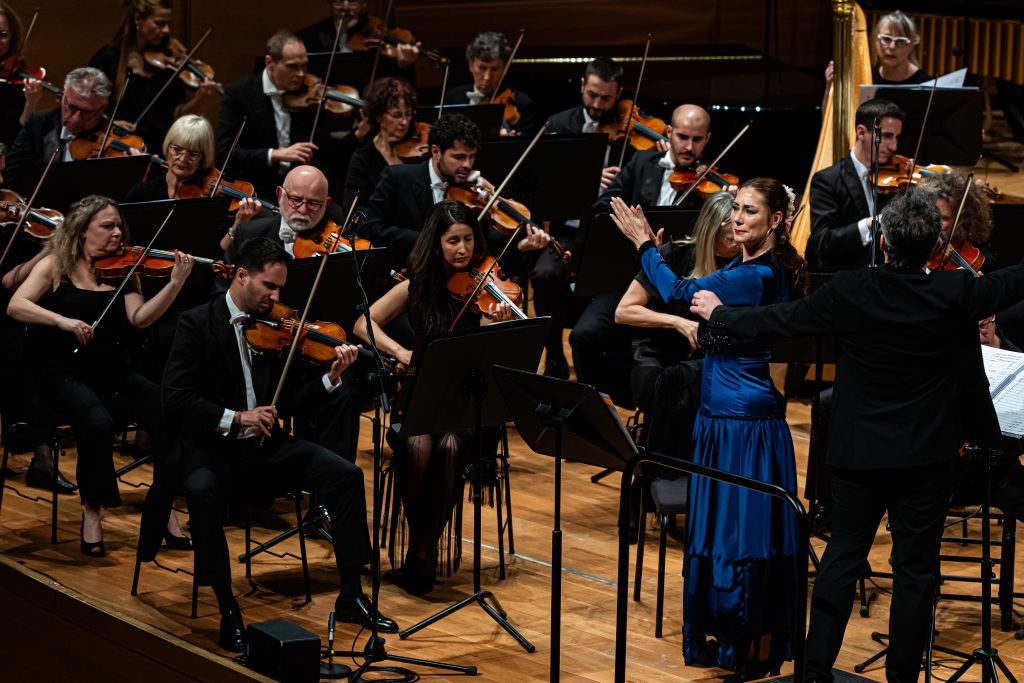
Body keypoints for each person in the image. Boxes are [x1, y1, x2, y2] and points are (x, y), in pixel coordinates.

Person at [689, 187, 1024, 683]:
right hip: (926, 460)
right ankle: (902, 678)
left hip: (856, 456)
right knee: (915, 572)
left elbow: (779, 318)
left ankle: (816, 668)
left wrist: (719, 312)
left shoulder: (850, 290)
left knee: (841, 560)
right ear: (935, 246)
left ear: (883, 242)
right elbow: (1014, 280)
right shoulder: (957, 293)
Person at [161, 236, 397, 652]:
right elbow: (176, 396)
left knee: (346, 476)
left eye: (280, 289)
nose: (276, 297)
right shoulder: (196, 323)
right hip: (215, 448)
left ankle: (351, 594)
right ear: (241, 275)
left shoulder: (274, 328)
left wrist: (330, 377)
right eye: (269, 286)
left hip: (266, 448)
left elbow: (289, 402)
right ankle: (226, 605)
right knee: (199, 493)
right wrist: (237, 418)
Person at [611, 178, 807, 677]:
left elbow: (678, 290)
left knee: (739, 535)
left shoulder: (751, 275)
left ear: (776, 221)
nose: (738, 219)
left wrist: (642, 247)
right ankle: (740, 642)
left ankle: (744, 643)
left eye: (750, 212)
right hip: (725, 411)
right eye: (735, 209)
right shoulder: (753, 267)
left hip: (737, 418)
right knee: (735, 531)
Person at [7, 194, 194, 557]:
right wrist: (62, 321)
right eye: (106, 226)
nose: (116, 233)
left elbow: (139, 319)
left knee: (169, 410)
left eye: (118, 226)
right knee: (97, 422)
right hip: (60, 375)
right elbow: (16, 305)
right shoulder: (54, 265)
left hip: (111, 373)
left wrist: (174, 284)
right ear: (81, 232)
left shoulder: (126, 268)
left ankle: (164, 504)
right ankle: (92, 510)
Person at [353, 201, 515, 595]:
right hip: (426, 402)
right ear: (436, 243)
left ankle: (421, 552)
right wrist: (402, 353)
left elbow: (497, 357)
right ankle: (421, 547)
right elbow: (362, 323)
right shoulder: (417, 286)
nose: (462, 249)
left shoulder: (487, 288)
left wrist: (490, 324)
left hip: (473, 408)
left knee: (448, 446)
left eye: (468, 239)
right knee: (419, 441)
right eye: (452, 240)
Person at [568, 104, 717, 393]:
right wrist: (631, 225)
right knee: (583, 335)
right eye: (683, 137)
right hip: (627, 281)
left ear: (707, 140)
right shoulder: (642, 162)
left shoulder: (712, 187)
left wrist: (725, 202)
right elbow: (603, 207)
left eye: (697, 140)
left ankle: (649, 406)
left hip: (677, 293)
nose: (688, 147)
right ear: (669, 133)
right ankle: (600, 408)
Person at [223, 165, 364, 462]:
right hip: (259, 347)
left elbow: (346, 306)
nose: (302, 209)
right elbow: (221, 297)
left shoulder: (337, 244)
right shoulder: (250, 232)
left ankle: (329, 493)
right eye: (295, 199)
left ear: (326, 205)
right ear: (280, 195)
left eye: (313, 204)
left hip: (312, 347)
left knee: (345, 391)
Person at [532, 57, 628, 378]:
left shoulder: (630, 133)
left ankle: (601, 366)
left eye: (607, 98)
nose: (598, 105)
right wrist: (585, 180)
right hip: (569, 232)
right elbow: (543, 186)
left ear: (619, 94)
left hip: (611, 235)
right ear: (582, 85)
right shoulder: (557, 125)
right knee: (545, 274)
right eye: (593, 95)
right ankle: (555, 354)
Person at [360, 112, 549, 267]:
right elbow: (369, 228)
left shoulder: (474, 193)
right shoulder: (397, 177)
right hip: (403, 277)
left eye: (471, 157)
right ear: (436, 152)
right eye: (458, 157)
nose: (467, 165)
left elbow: (485, 248)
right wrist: (429, 240)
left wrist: (520, 247)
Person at [88, 0, 220, 155]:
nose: (166, 30)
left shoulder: (168, 63)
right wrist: (108, 124)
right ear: (138, 19)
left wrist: (201, 98)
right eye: (160, 23)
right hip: (120, 149)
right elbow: (84, 107)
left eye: (168, 24)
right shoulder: (109, 58)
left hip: (160, 151)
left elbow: (177, 115)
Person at [216, 31, 332, 201]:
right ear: (270, 62)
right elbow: (224, 155)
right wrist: (276, 154)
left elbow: (323, 148)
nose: (301, 74)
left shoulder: (310, 95)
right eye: (292, 66)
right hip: (256, 190)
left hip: (301, 191)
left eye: (304, 66)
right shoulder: (239, 94)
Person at [123, 114, 260, 248]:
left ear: (203, 157)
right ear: (168, 147)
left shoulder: (211, 201)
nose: (182, 159)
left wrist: (238, 224)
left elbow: (219, 251)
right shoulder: (143, 193)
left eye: (192, 154)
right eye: (177, 150)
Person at [806, 98, 904, 268]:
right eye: (887, 136)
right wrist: (871, 224)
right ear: (861, 133)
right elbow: (822, 242)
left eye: (896, 137)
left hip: (887, 279)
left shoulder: (897, 179)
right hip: (846, 279)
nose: (893, 146)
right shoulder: (827, 180)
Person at [3, 67, 113, 191]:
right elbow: (11, 176)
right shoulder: (38, 123)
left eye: (86, 112)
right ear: (63, 97)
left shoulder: (112, 135)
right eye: (72, 107)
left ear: (102, 109)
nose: (76, 119)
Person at [442, 31, 540, 137]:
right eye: (482, 68)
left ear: (505, 69)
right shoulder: (451, 99)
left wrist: (507, 141)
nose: (487, 77)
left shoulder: (523, 105)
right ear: (470, 65)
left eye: (494, 69)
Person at [341, 76, 416, 209]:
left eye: (408, 114)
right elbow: (352, 208)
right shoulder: (363, 158)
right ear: (379, 116)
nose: (404, 122)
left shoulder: (418, 151)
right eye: (397, 115)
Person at [295, 0, 419, 72]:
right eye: (338, 1)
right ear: (329, 4)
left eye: (353, 1)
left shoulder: (376, 35)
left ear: (363, 4)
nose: (345, 7)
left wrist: (403, 65)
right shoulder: (308, 37)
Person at [0, 2, 45, 147]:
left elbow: (18, 139)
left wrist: (30, 104)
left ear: (13, 37)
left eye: (3, 35)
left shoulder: (18, 79)